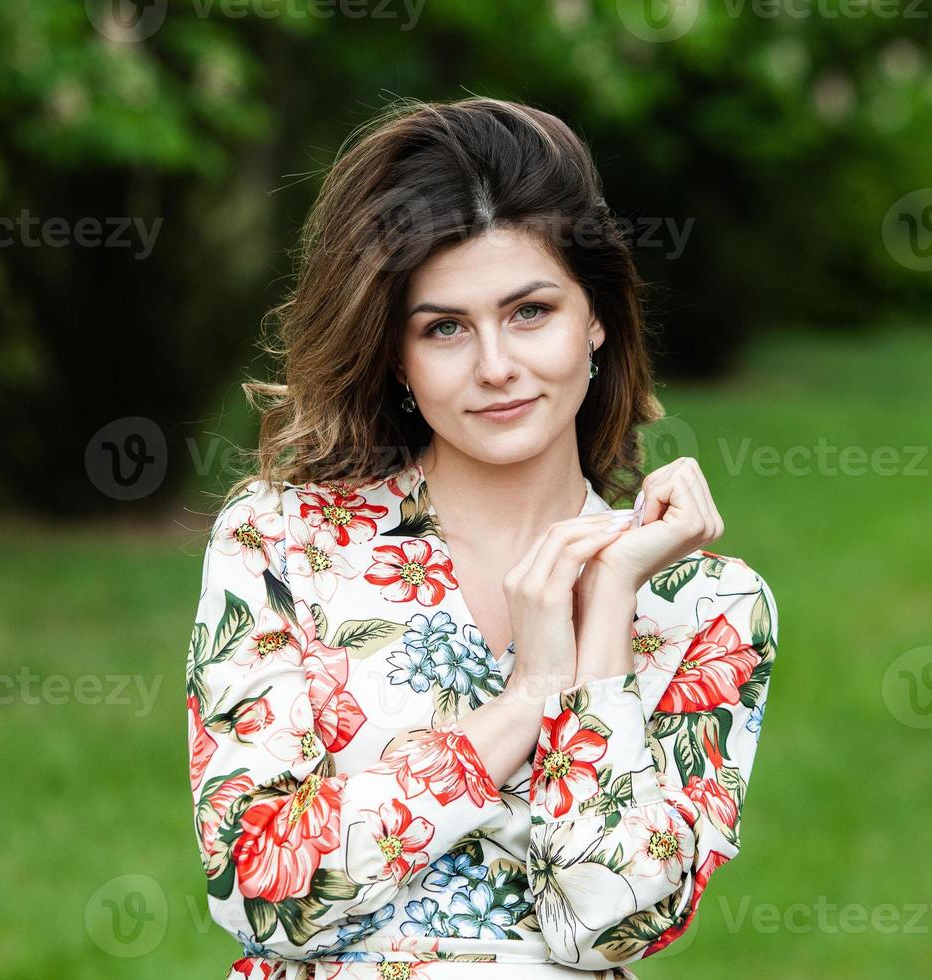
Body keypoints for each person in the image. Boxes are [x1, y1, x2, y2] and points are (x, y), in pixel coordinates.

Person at [186, 96, 779, 980]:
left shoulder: (706, 607)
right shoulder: (283, 543)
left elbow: (606, 928)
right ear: (396, 354)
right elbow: (260, 888)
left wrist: (604, 624)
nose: (496, 366)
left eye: (531, 311)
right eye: (446, 328)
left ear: (598, 318)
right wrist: (527, 694)